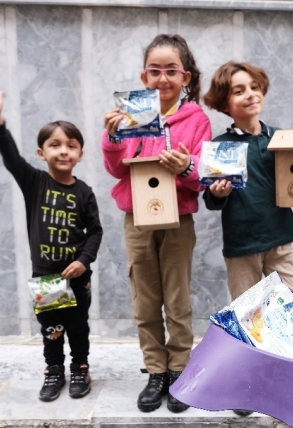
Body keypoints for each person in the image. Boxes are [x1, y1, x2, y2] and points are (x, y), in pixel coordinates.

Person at [101, 34, 211, 413]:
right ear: (143, 75)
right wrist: (113, 137)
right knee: (145, 299)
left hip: (178, 219)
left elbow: (204, 174)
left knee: (177, 298)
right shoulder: (131, 114)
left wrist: (188, 167)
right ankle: (155, 370)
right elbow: (116, 168)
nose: (162, 78)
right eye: (154, 70)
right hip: (137, 218)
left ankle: (179, 369)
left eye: (171, 71)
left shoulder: (196, 119)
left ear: (186, 76)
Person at [0, 84, 103, 402]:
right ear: (41, 153)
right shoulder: (35, 183)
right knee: (51, 330)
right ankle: (54, 371)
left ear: (80, 154)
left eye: (71, 145)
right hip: (46, 277)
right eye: (55, 145)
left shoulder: (85, 192)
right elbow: (9, 156)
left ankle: (80, 367)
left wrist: (84, 261)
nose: (63, 151)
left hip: (77, 278)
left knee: (78, 328)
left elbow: (95, 232)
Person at [202, 61, 293, 306]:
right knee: (248, 318)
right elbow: (210, 200)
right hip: (240, 248)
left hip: (279, 241)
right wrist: (217, 193)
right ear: (223, 103)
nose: (250, 94)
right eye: (239, 91)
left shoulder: (280, 138)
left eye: (254, 87)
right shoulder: (220, 147)